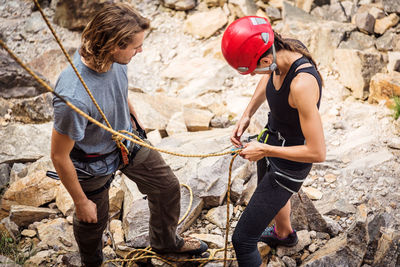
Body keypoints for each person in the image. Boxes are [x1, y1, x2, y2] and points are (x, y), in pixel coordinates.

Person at [50, 3, 207, 267]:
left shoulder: (115, 59)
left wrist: (135, 121)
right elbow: (58, 155)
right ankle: (93, 261)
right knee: (92, 220)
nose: (140, 51)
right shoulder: (72, 97)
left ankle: (166, 243)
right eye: (135, 47)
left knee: (167, 187)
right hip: (90, 162)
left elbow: (119, 90)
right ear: (113, 45)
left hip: (125, 141)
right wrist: (80, 202)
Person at [221, 16, 326, 266]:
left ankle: (282, 234)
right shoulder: (282, 49)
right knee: (271, 197)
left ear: (266, 59)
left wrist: (264, 149)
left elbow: (318, 152)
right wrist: (247, 115)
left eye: (253, 68)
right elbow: (267, 76)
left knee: (243, 239)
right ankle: (284, 235)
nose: (254, 74)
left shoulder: (301, 84)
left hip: (290, 164)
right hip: (271, 141)